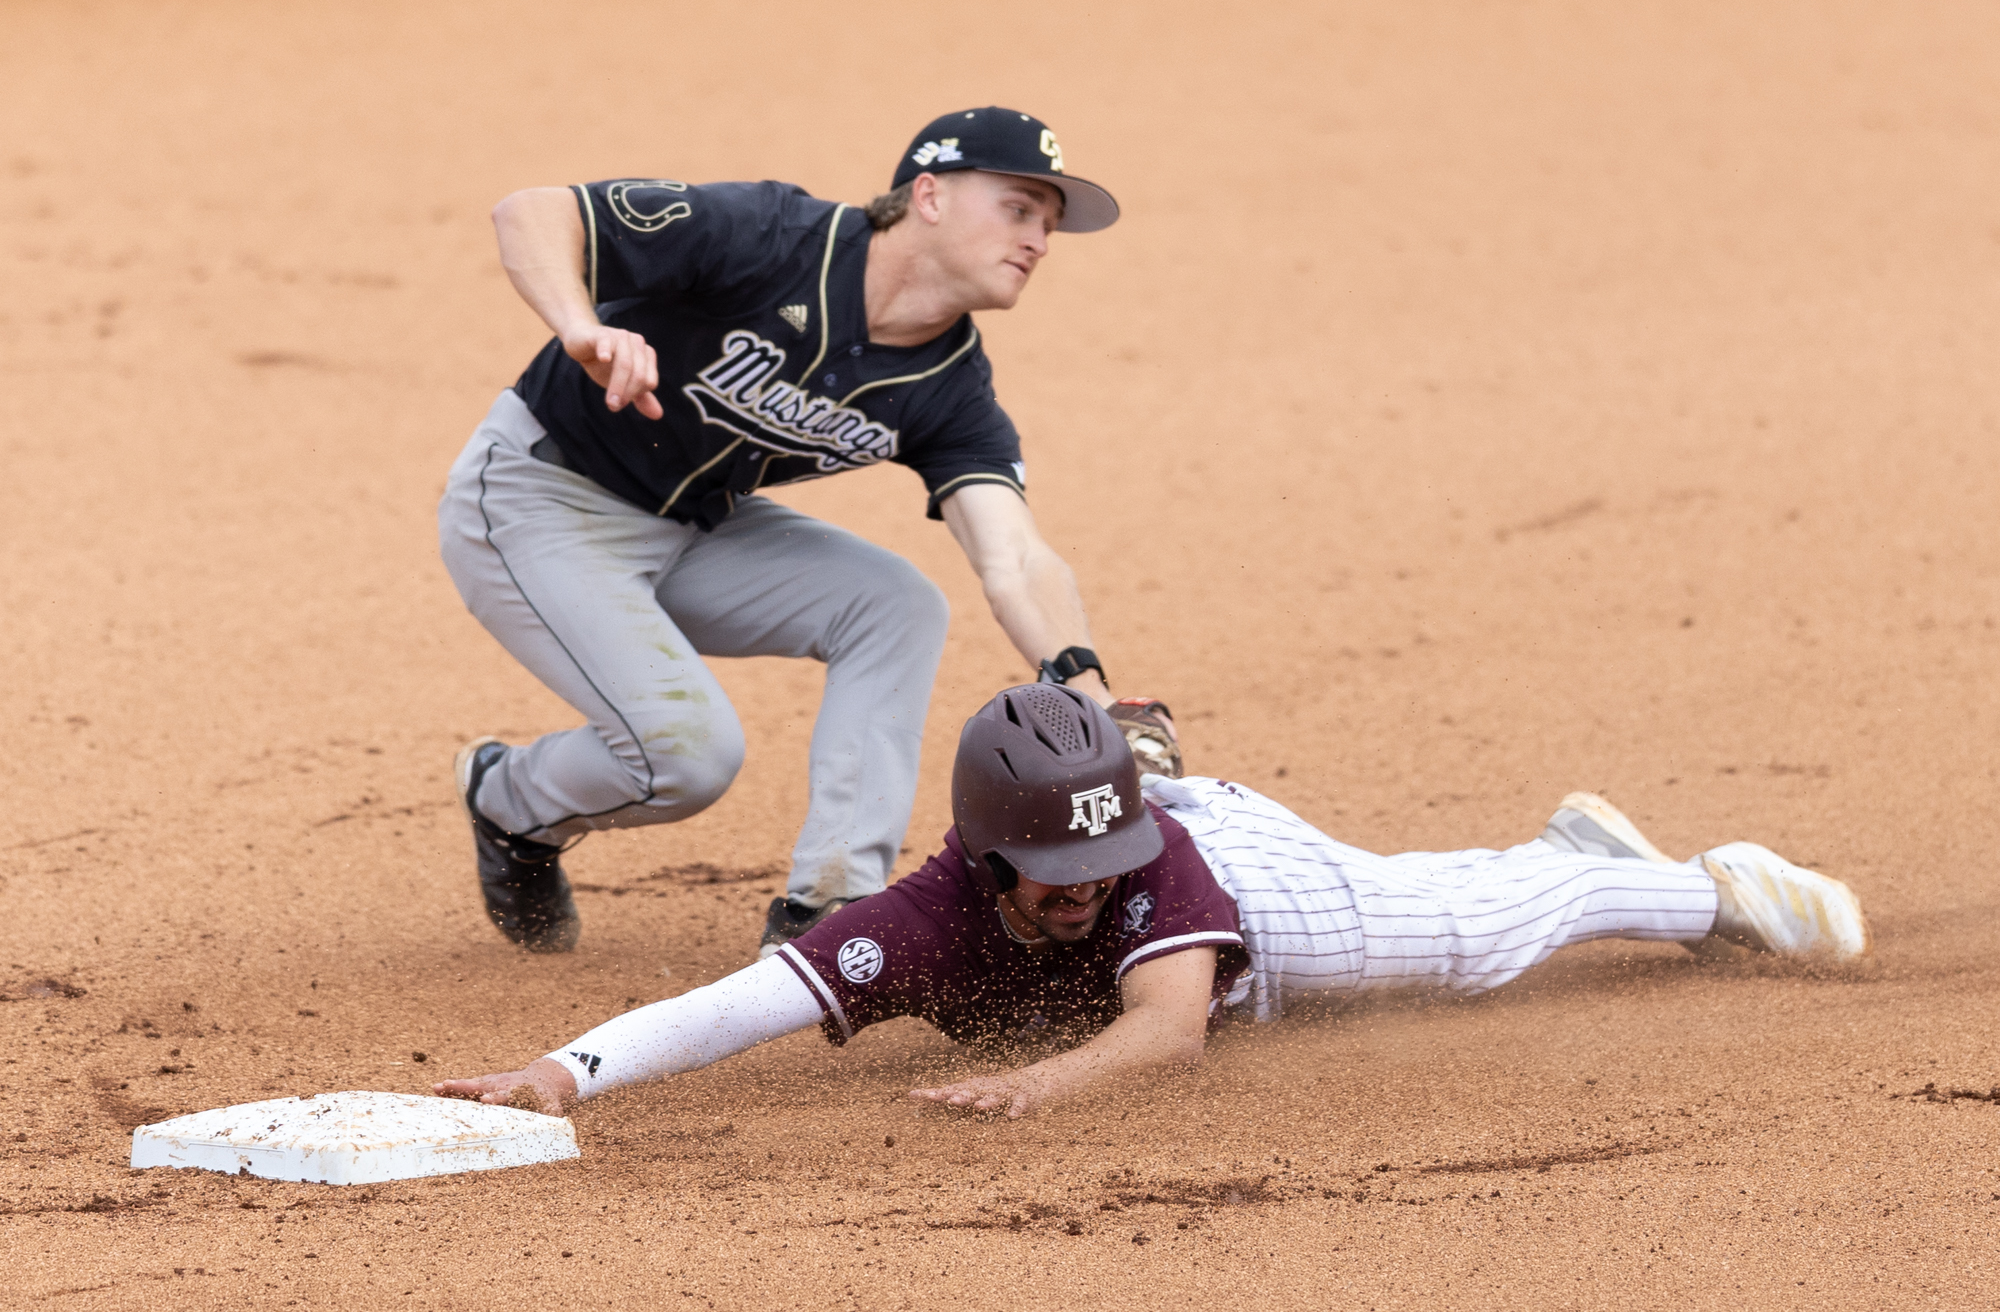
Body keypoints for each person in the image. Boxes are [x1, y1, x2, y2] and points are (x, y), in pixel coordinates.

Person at [434, 684, 1872, 1119]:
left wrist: (1040, 1087)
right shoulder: (924, 915)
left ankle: (1699, 888)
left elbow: (1169, 1026)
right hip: (1151, 808)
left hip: (1253, 880)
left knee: (1446, 940)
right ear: (984, 861)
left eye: (1092, 871)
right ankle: (1573, 855)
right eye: (1049, 880)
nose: (1078, 899)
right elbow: (744, 1001)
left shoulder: (1148, 868)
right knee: (1459, 901)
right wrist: (573, 1069)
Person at [437, 108, 1159, 958]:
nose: (1041, 238)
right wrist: (579, 325)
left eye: (1049, 222)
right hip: (538, 496)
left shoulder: (950, 385)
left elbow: (1014, 554)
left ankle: (831, 906)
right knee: (688, 757)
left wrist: (1089, 688)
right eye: (1019, 206)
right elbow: (529, 210)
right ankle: (508, 799)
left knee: (898, 605)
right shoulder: (772, 237)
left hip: (695, 526)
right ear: (927, 194)